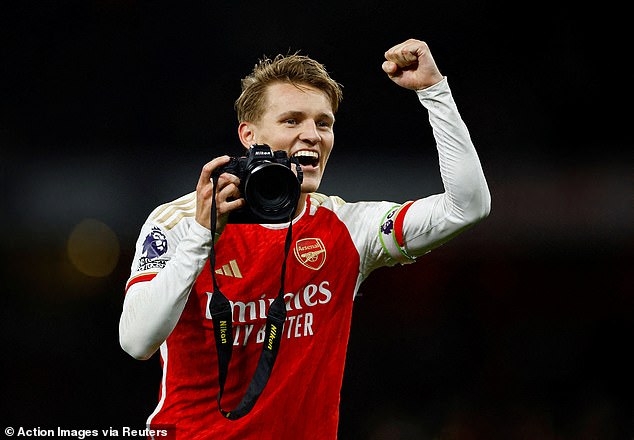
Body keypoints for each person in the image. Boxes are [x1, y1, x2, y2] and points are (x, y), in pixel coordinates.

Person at [119, 38, 491, 439]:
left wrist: (434, 91)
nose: (312, 134)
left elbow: (467, 207)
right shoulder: (181, 222)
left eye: (323, 123)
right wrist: (199, 239)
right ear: (249, 135)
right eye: (292, 121)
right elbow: (137, 341)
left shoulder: (348, 227)